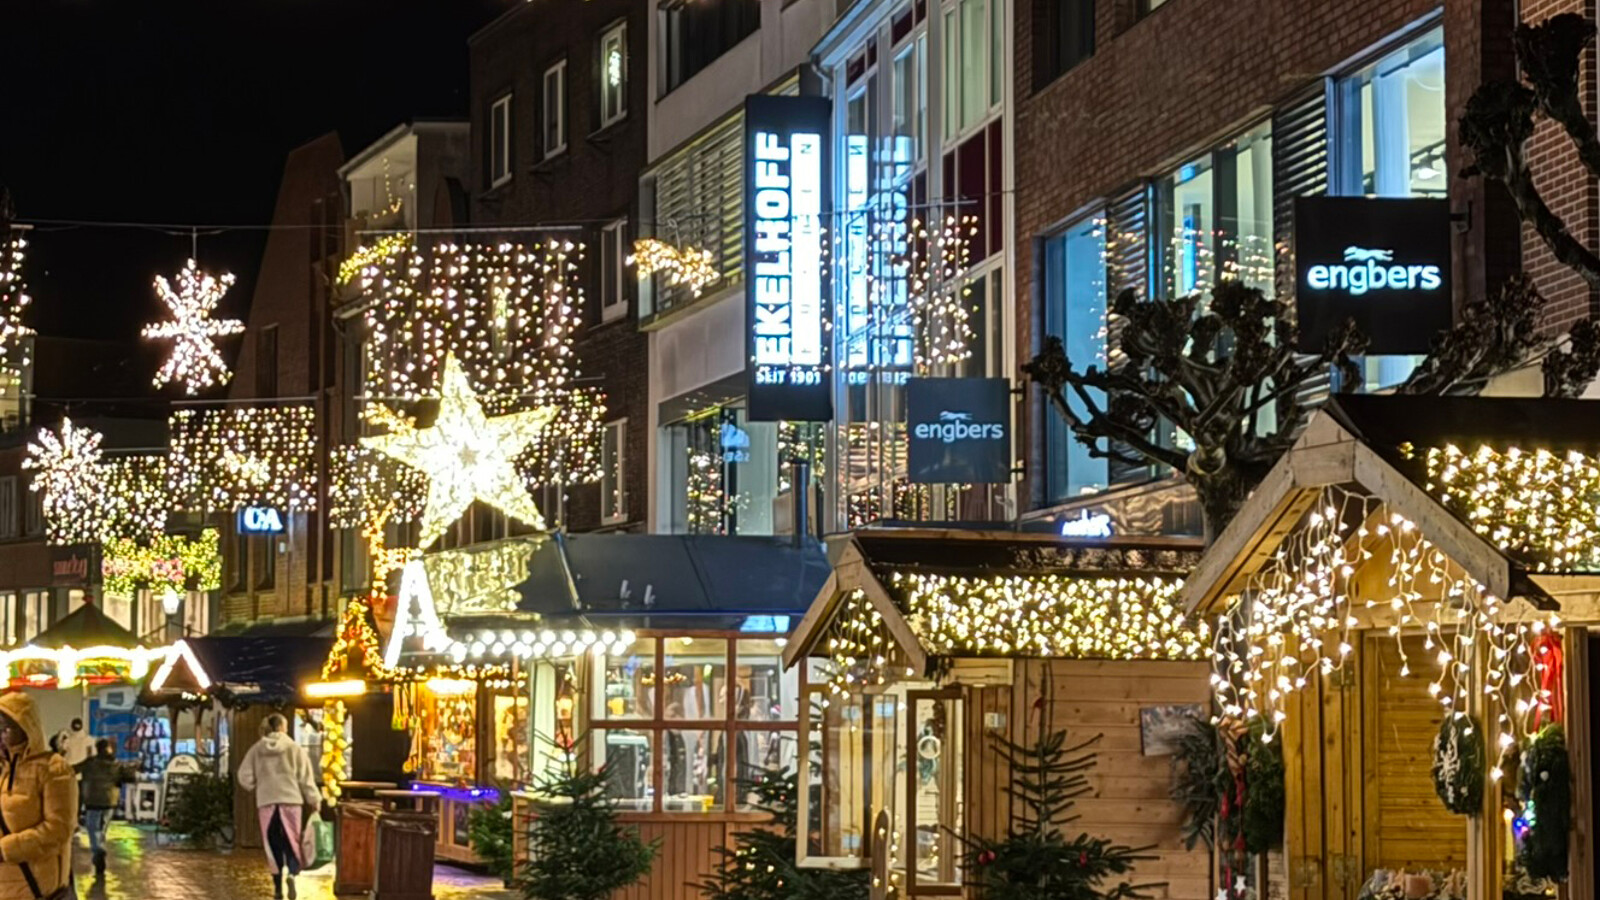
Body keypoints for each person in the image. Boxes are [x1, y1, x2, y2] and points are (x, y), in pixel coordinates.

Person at [0, 691, 79, 900]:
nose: (1, 735)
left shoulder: (54, 768)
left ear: (27, 728)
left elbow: (59, 828)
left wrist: (6, 849)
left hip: (38, 887)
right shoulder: (3, 769)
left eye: (6, 728)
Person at [237, 714, 319, 900]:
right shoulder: (294, 748)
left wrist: (256, 785)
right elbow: (306, 777)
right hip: (291, 802)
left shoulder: (257, 749)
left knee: (272, 845)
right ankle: (291, 874)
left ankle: (277, 889)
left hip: (266, 802)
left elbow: (244, 775)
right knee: (292, 840)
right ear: (282, 727)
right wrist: (313, 799)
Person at [74, 739, 131, 877]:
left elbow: (72, 769)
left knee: (92, 828)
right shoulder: (116, 764)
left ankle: (98, 850)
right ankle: (99, 850)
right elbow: (128, 777)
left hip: (92, 800)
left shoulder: (90, 763)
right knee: (102, 828)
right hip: (110, 801)